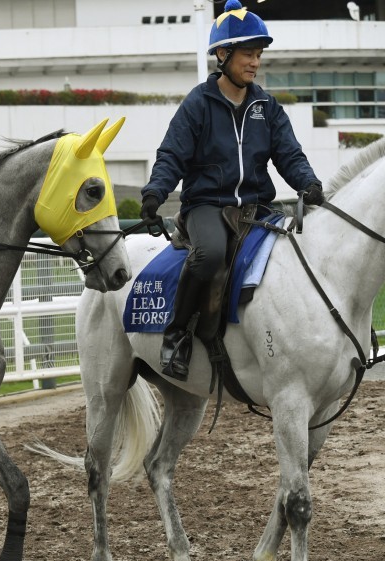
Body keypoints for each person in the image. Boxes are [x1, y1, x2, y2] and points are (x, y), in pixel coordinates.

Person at [139, 0, 323, 381]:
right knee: (208, 256)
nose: (255, 62)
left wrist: (308, 183)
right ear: (223, 55)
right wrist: (155, 193)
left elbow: (289, 155)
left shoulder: (266, 106)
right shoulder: (197, 104)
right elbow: (172, 154)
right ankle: (177, 335)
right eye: (247, 55)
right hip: (206, 206)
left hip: (258, 208)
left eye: (258, 55)